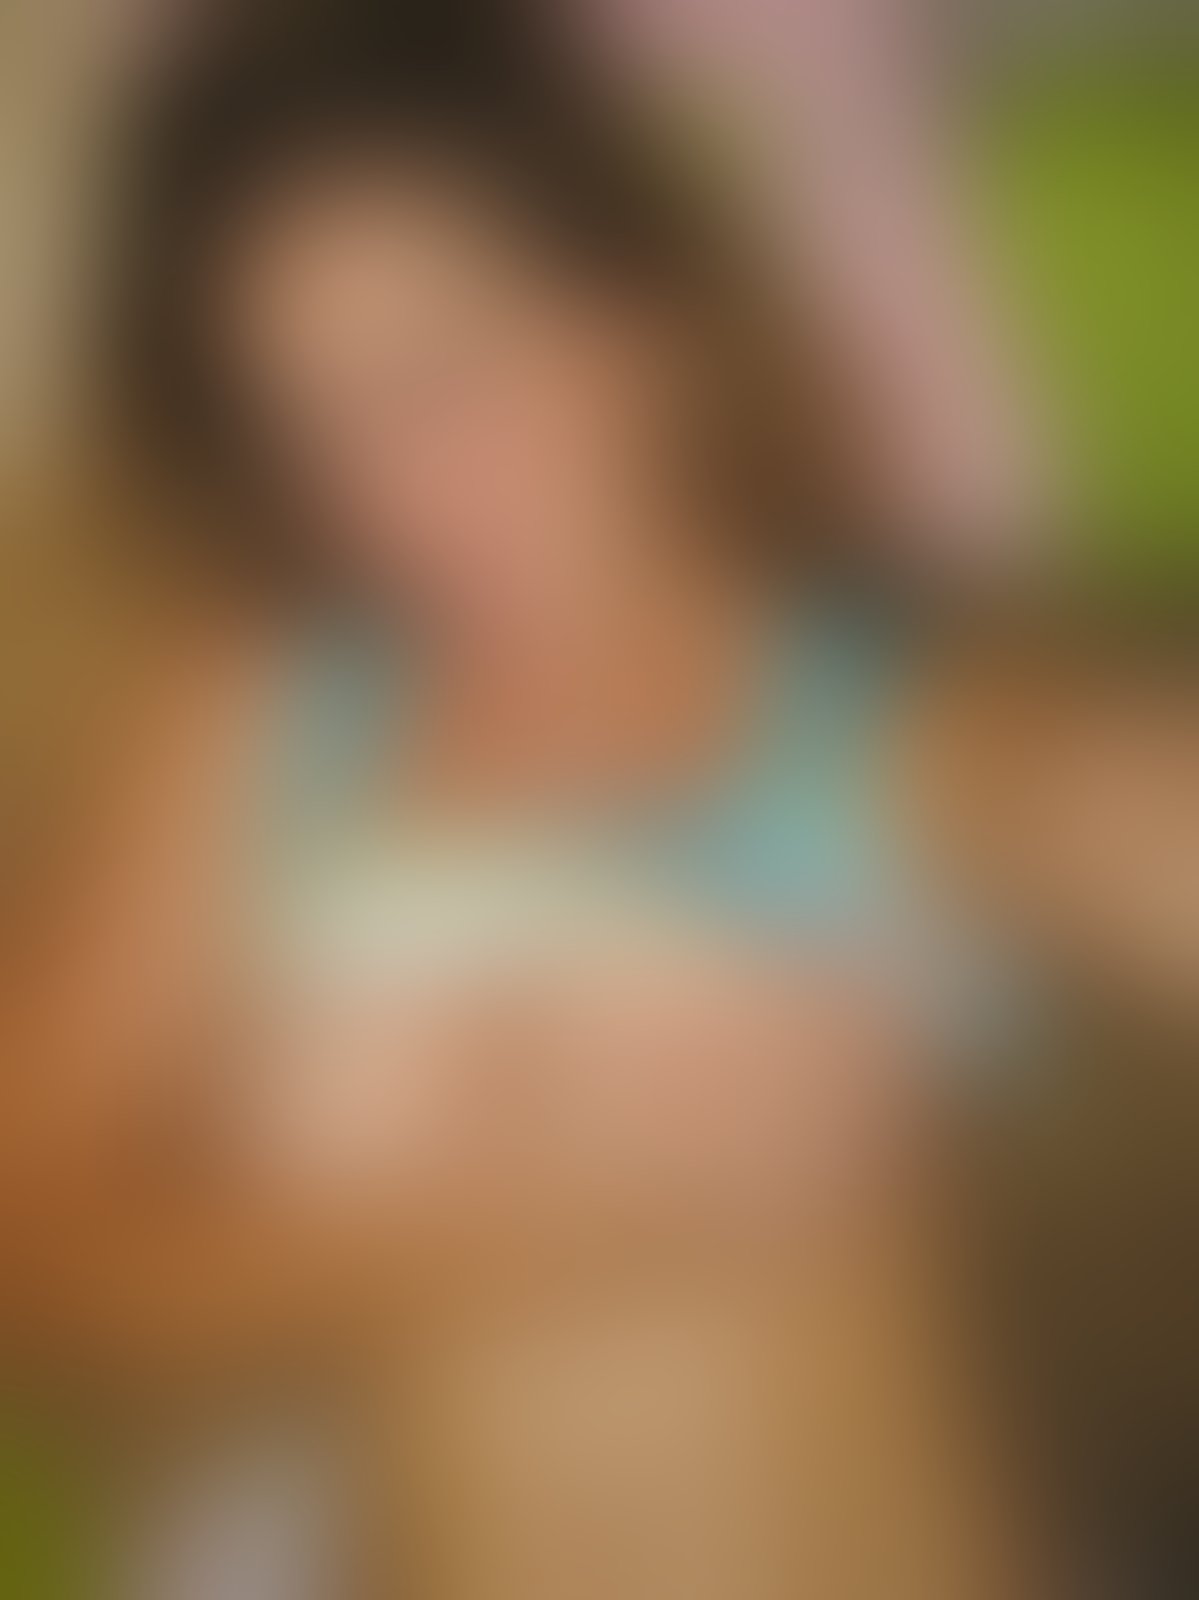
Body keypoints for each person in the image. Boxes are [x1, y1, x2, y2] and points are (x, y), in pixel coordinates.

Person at [5, 15, 1194, 1599]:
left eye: (448, 363)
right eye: (319, 421)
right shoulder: (272, 720)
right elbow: (27, 1241)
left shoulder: (888, 717)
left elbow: (1095, 793)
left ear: (642, 327)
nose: (398, 483)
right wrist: (569, 1196)